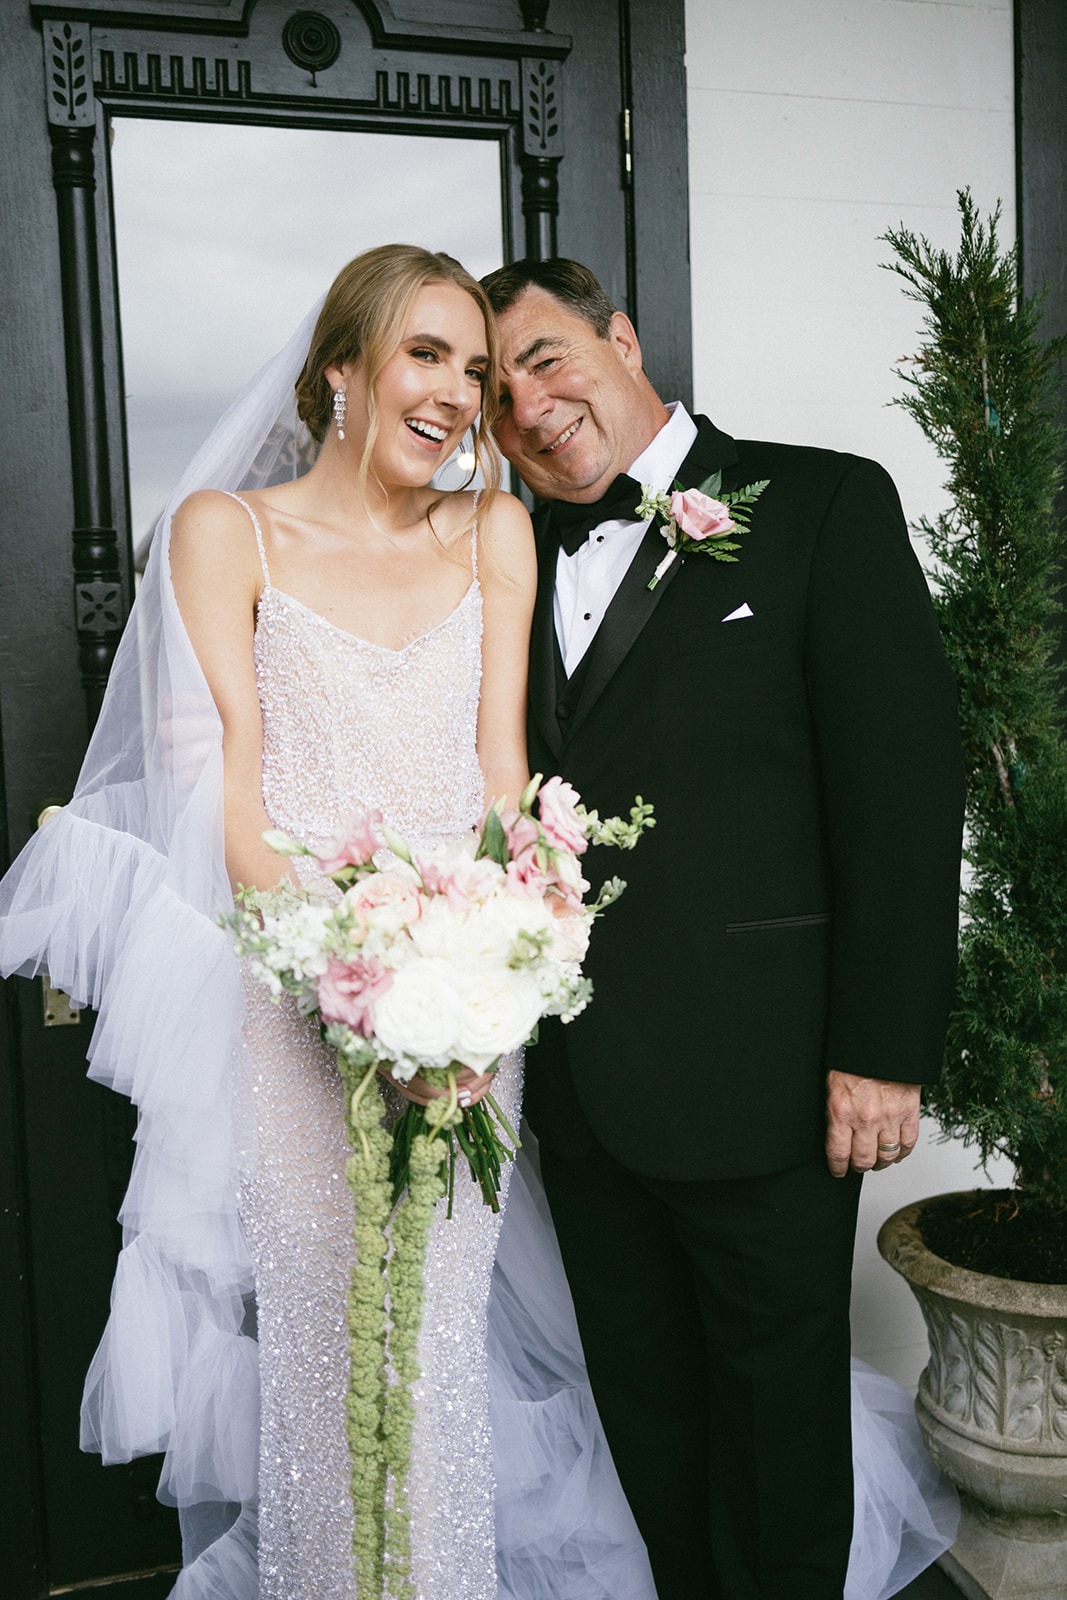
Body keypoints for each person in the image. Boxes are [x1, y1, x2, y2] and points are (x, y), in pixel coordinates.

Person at [0, 246, 654, 1600]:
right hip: (299, 1007)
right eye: (428, 356)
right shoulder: (225, 533)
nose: (462, 395)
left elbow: (497, 778)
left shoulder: (491, 531)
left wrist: (482, 983)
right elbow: (228, 797)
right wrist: (353, 993)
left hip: (466, 1004)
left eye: (477, 369)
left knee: (434, 1357)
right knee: (321, 1346)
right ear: (341, 369)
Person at [481, 257, 967, 1600]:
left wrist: (884, 1046)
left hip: (770, 1078)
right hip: (581, 1088)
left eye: (542, 357)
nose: (525, 403)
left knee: (778, 1428)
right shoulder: (501, 552)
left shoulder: (821, 502)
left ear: (619, 337)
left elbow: (905, 789)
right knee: (649, 1417)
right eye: (495, 388)